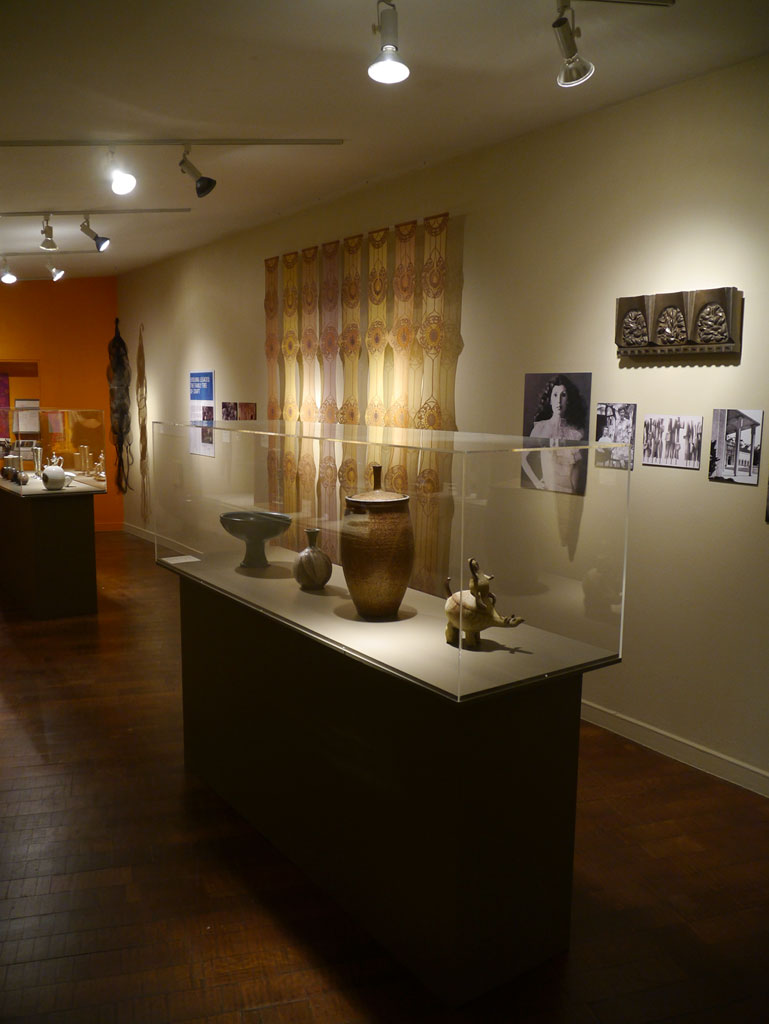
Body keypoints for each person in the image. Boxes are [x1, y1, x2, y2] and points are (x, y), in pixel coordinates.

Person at [522, 374, 587, 494]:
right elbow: (523, 458)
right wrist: (536, 482)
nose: (558, 401)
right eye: (555, 395)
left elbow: (577, 466)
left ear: (568, 400)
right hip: (547, 491)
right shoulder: (541, 428)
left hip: (569, 492)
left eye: (563, 395)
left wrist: (574, 490)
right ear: (550, 399)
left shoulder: (575, 433)